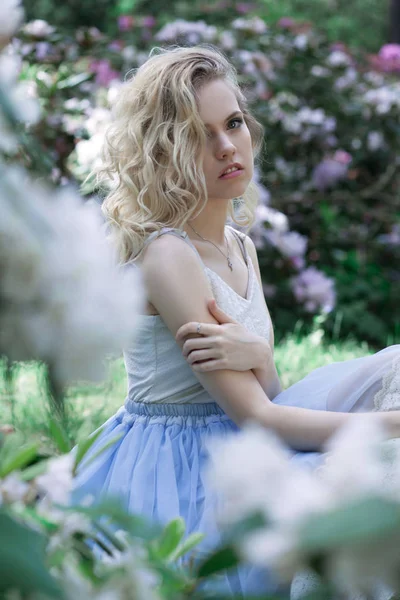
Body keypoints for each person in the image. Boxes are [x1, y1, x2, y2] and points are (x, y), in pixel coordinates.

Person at [71, 44, 400, 596]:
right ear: (165, 152)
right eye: (201, 135)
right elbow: (259, 416)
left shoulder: (238, 245)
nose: (227, 146)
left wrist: (263, 355)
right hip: (180, 466)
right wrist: (391, 426)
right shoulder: (169, 255)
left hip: (245, 428)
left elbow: (268, 391)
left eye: (234, 124)